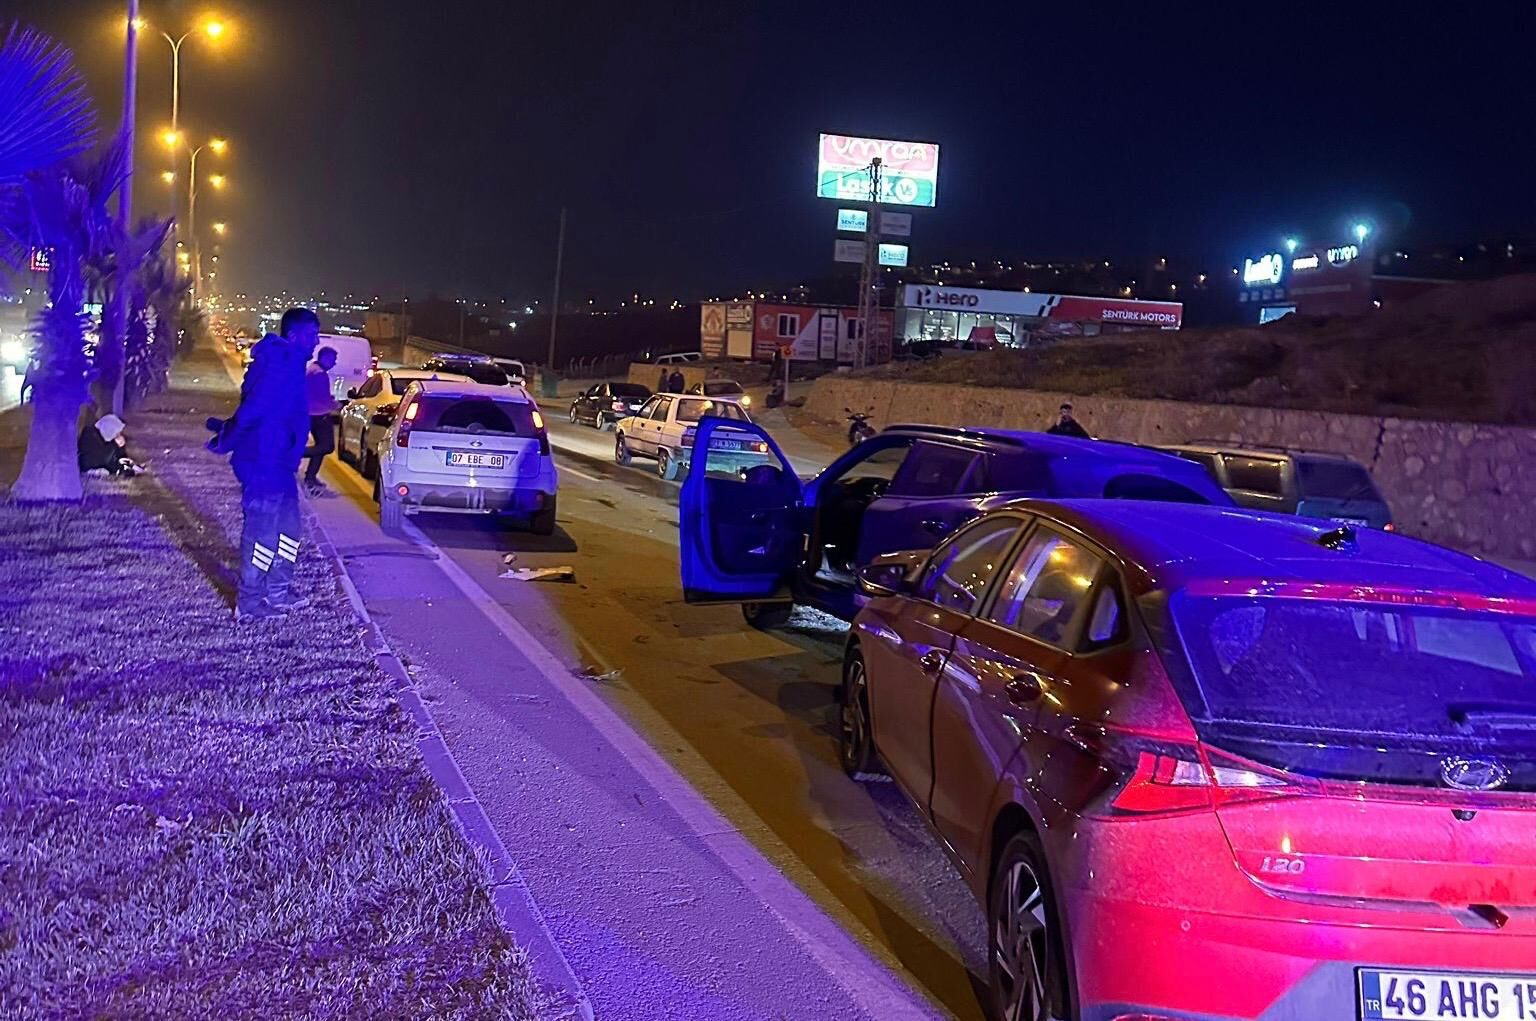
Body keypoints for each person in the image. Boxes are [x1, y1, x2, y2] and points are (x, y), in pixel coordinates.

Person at [207, 307, 320, 622]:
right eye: (312, 335)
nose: (316, 342)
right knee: (262, 535)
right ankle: (251, 602)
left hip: (280, 462)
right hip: (262, 461)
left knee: (288, 530)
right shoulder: (280, 365)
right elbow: (252, 411)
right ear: (295, 336)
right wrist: (228, 437)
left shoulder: (293, 365)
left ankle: (278, 591)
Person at [302, 345, 340, 496]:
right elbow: (322, 398)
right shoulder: (319, 374)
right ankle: (299, 453)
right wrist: (336, 404)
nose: (334, 363)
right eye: (333, 359)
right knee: (327, 446)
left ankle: (311, 477)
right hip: (320, 414)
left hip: (311, 413)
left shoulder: (313, 370)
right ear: (325, 358)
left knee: (321, 446)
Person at [77, 413, 145, 476]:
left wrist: (130, 465)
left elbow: (118, 457)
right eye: (117, 433)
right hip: (90, 466)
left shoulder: (106, 437)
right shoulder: (91, 436)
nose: (118, 435)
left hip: (101, 463)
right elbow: (104, 460)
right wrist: (116, 446)